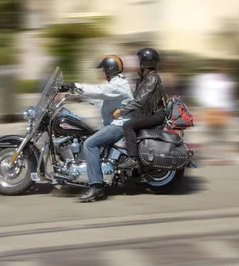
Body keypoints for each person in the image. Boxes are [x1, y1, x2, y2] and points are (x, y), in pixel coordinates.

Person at [58, 55, 133, 202]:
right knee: (86, 136)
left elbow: (100, 91)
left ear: (110, 69)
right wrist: (78, 97)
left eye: (103, 69)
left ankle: (96, 186)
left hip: (119, 125)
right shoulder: (116, 84)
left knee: (90, 143)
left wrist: (76, 86)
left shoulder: (118, 84)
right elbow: (101, 99)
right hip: (113, 123)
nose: (102, 72)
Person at [112, 48, 167, 170]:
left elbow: (140, 100)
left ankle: (133, 159)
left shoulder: (153, 78)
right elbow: (134, 97)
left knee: (128, 125)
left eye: (139, 60)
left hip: (155, 115)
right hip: (148, 113)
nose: (136, 63)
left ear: (145, 63)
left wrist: (122, 111)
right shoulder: (144, 78)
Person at [192, 61, 235, 164]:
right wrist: (202, 108)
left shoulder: (226, 81)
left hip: (221, 110)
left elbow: (229, 96)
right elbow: (199, 94)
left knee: (221, 136)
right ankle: (208, 156)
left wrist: (230, 110)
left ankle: (221, 157)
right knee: (207, 134)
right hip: (209, 110)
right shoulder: (205, 79)